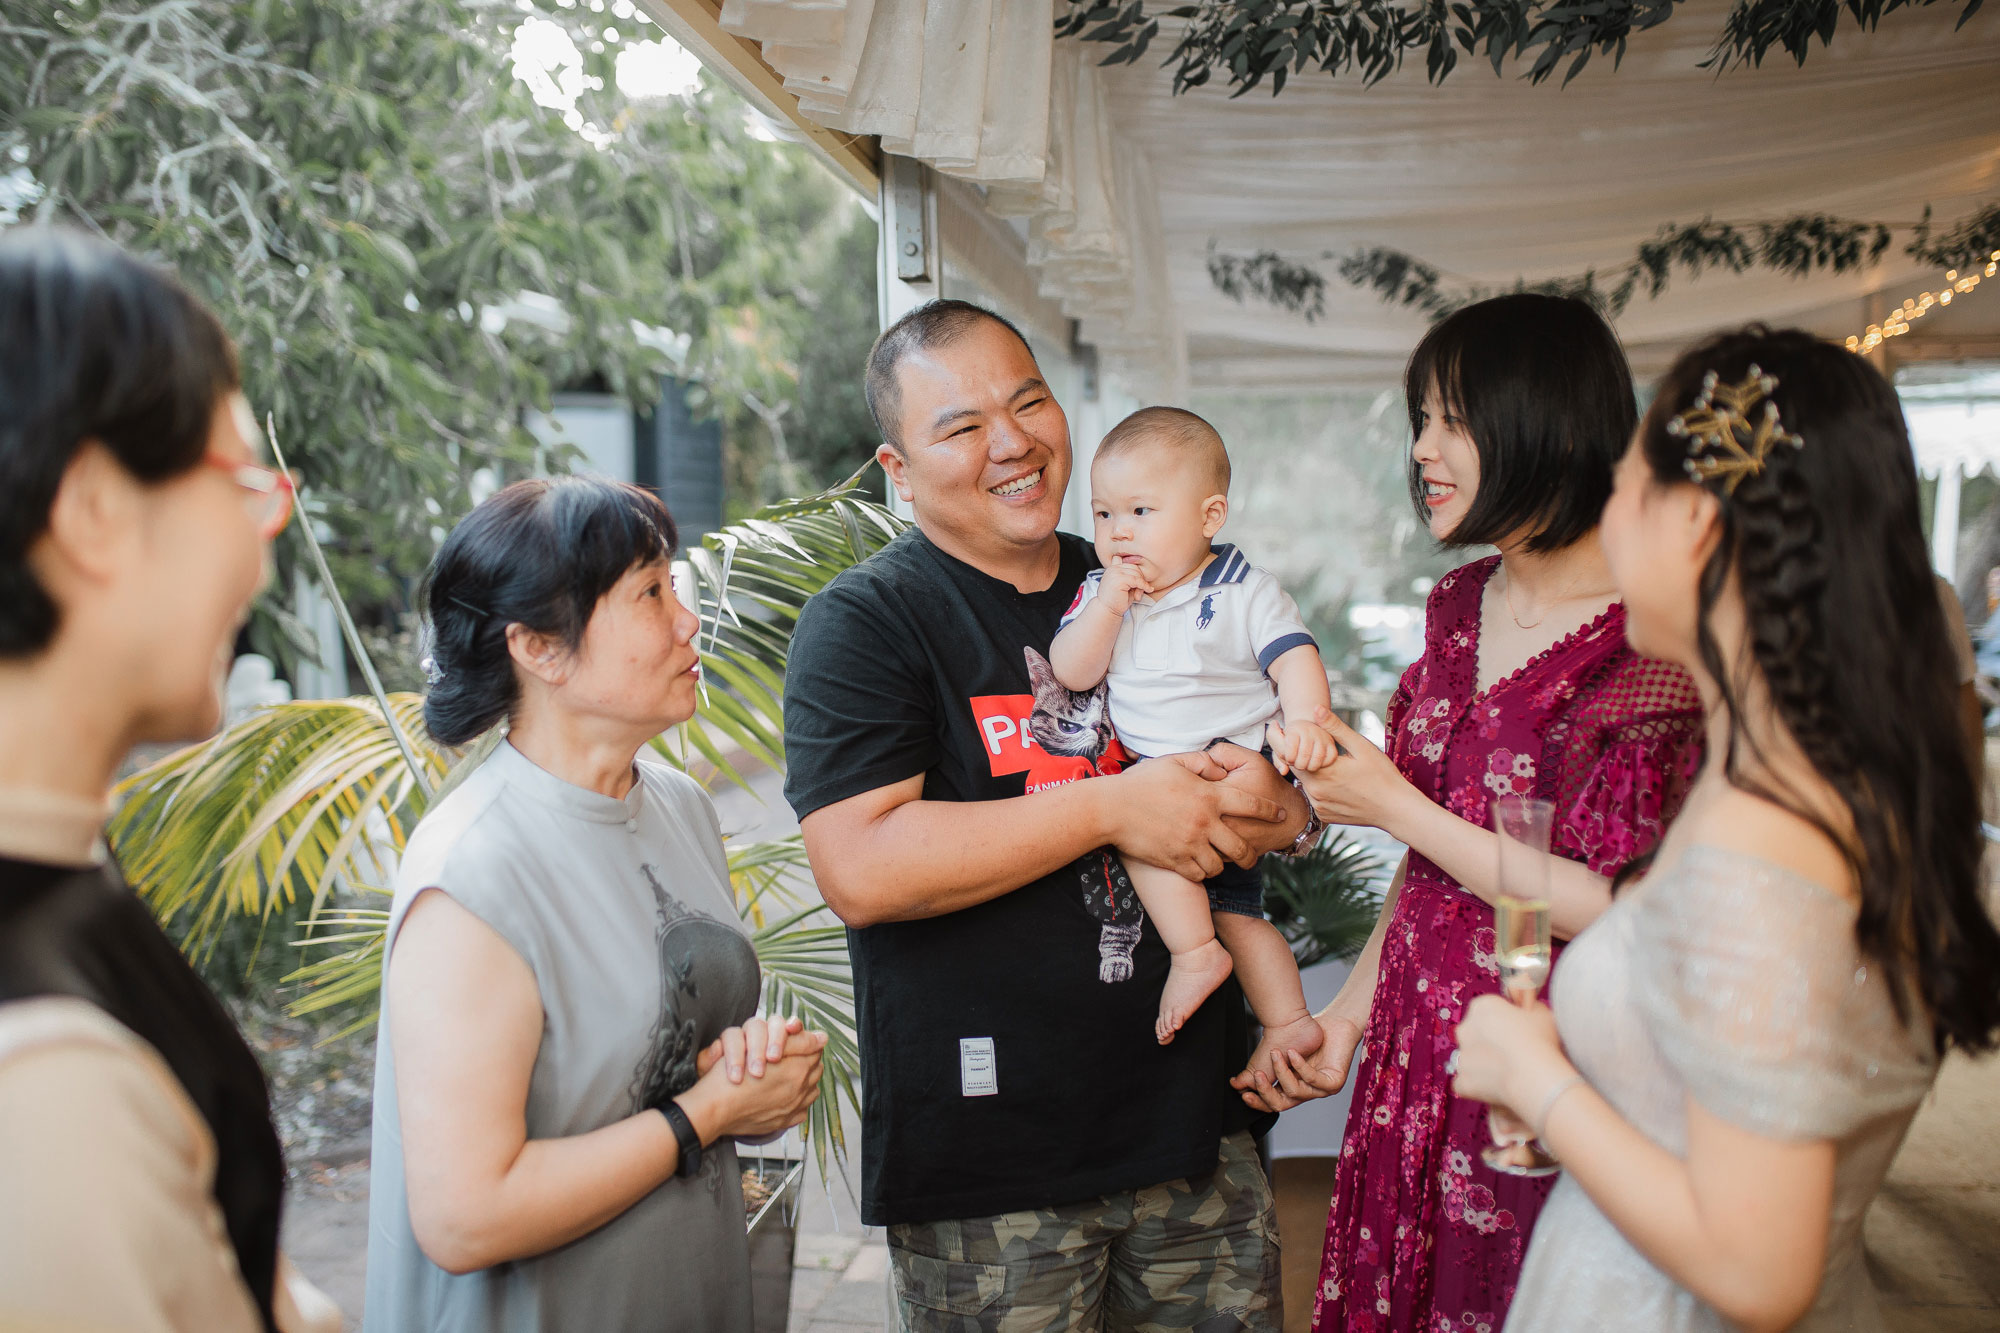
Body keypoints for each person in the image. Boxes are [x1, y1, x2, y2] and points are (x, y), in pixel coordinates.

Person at [1454, 327, 2000, 1331]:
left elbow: (1759, 1269)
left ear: (1695, 525)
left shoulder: (1761, 842)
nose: (1605, 519)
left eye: (1623, 486)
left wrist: (1537, 1084)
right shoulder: (1800, 776)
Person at [782, 299, 1312, 1330]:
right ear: (897, 469)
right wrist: (1115, 806)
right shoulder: (866, 623)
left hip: (1195, 1137)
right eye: (962, 426)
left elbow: (1290, 789)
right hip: (994, 1173)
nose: (1013, 441)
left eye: (1026, 401)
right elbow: (863, 866)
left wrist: (1279, 801)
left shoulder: (1143, 562)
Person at [1234, 294, 1708, 1332]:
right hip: (1414, 1049)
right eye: (1417, 421)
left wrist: (1394, 802)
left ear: (1542, 420)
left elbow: (1624, 906)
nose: (1422, 452)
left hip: (1551, 1070)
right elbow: (1430, 862)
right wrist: (1347, 1021)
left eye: (1449, 419)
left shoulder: (1652, 641)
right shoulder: (1456, 606)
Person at [363, 476, 826, 1332]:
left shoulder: (678, 804)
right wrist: (706, 1112)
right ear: (540, 647)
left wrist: (751, 1079)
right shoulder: (476, 873)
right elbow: (467, 1214)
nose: (687, 620)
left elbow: (665, 1062)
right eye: (650, 594)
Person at [0, 229, 337, 1331]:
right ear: (93, 506)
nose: (261, 552)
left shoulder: (56, 860)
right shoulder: (39, 1083)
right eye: (243, 480)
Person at [1049, 406, 1338, 1056]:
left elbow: (1293, 655)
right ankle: (1200, 954)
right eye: (1103, 513)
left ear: (1209, 517)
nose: (1119, 531)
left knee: (1242, 911)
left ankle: (1288, 1017)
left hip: (1230, 783)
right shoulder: (1099, 592)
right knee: (1223, 913)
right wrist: (1110, 607)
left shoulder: (1243, 589)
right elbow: (1071, 669)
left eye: (1141, 512)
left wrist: (1306, 724)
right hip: (1153, 795)